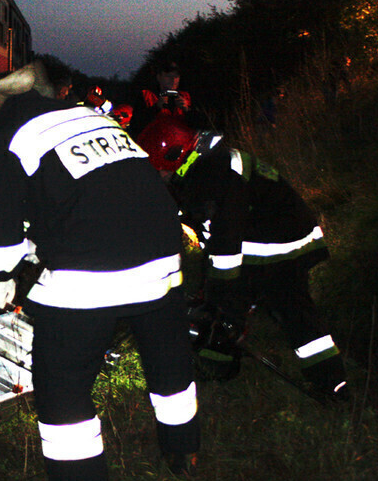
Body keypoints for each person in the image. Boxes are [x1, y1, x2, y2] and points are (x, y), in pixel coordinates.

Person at [0, 61, 200, 481]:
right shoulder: (90, 118)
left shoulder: (7, 137)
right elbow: (94, 191)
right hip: (162, 251)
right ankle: (184, 453)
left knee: (62, 386)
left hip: (92, 268)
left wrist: (2, 273)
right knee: (168, 356)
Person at [135, 116, 349, 401]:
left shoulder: (212, 176)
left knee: (291, 311)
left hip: (281, 242)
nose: (158, 175)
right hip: (265, 236)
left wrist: (219, 293)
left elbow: (225, 243)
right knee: (226, 307)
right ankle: (216, 367)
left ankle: (333, 386)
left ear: (175, 156)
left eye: (159, 168)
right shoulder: (200, 168)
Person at [128, 60, 194, 138]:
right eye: (168, 76)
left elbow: (199, 124)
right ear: (159, 77)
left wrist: (187, 110)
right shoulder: (147, 96)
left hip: (181, 143)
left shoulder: (186, 97)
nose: (173, 80)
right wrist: (156, 108)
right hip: (153, 142)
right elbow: (136, 125)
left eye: (176, 77)